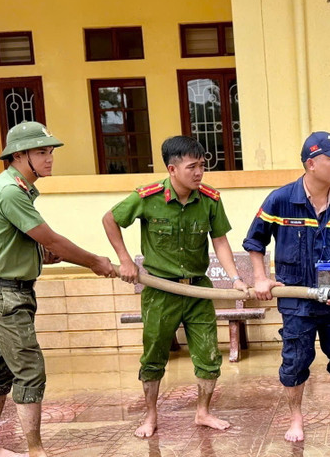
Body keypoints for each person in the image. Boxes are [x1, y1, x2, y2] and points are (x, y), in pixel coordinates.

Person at [0, 121, 117, 457]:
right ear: (19, 156)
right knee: (29, 370)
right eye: (42, 152)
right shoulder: (10, 191)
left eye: (51, 151)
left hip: (4, 289)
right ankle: (37, 454)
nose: (50, 158)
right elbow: (52, 239)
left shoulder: (17, 189)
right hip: (3, 293)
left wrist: (38, 253)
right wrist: (96, 262)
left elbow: (30, 242)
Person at [103, 136, 248, 438]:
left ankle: (203, 412)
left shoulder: (209, 200)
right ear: (172, 169)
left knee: (209, 355)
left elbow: (219, 240)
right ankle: (150, 415)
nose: (199, 173)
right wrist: (125, 260)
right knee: (154, 355)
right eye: (192, 166)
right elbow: (110, 219)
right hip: (160, 291)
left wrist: (235, 278)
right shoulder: (148, 197)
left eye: (202, 166)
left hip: (197, 290)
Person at [244, 131, 330, 442]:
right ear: (311, 164)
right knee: (296, 359)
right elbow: (255, 242)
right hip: (296, 298)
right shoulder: (281, 200)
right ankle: (296, 419)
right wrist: (260, 278)